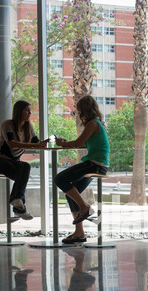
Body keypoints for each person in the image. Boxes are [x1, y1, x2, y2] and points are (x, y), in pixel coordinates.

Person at [54, 95, 109, 244]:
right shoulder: (96, 123)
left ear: (84, 110)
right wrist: (66, 143)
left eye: (79, 111)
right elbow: (83, 144)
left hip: (95, 164)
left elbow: (78, 142)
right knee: (71, 194)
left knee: (59, 179)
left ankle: (85, 207)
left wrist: (62, 144)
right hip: (98, 163)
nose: (78, 114)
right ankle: (79, 233)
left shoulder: (92, 123)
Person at [0, 100, 49, 220]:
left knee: (25, 168)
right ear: (19, 111)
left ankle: (17, 204)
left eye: (30, 110)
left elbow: (35, 142)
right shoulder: (7, 124)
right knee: (23, 170)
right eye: (27, 110)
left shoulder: (28, 127)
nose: (30, 113)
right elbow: (12, 144)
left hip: (13, 162)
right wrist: (35, 145)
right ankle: (19, 206)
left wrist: (42, 143)